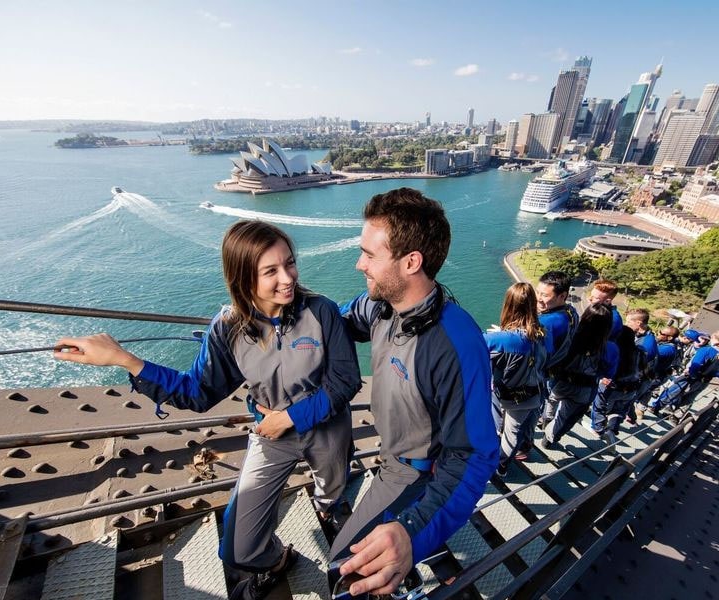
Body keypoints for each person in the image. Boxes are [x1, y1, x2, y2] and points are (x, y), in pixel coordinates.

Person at [53, 220, 362, 600]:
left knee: (332, 491)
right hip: (272, 437)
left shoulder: (321, 311)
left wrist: (289, 417)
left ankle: (329, 508)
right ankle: (276, 560)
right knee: (236, 548)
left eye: (290, 263)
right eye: (271, 271)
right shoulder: (228, 328)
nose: (288, 278)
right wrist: (126, 360)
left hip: (327, 430)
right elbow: (197, 393)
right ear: (244, 278)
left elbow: (345, 381)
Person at [332, 188, 498, 597]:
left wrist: (411, 532)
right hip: (390, 460)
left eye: (370, 255)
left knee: (343, 571)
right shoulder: (382, 306)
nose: (359, 264)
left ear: (411, 262)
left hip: (417, 475)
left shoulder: (455, 343)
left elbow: (474, 455)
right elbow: (341, 321)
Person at [484, 283, 548, 477]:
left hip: (504, 393)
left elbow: (472, 348)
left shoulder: (497, 340)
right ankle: (502, 466)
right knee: (513, 433)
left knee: (497, 425)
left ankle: (493, 459)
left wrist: (500, 335)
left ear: (508, 305)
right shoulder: (543, 333)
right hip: (531, 395)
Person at [542, 303, 618, 449]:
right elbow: (609, 373)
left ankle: (546, 418)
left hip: (559, 381)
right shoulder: (609, 348)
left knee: (552, 399)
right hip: (584, 388)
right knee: (567, 418)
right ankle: (550, 437)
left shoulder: (570, 338)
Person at [534, 271, 580, 435]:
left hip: (540, 373)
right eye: (538, 292)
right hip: (556, 369)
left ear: (562, 296)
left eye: (545, 295)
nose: (539, 298)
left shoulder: (545, 322)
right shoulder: (571, 312)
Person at [590, 326, 642, 448]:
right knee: (618, 411)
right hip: (631, 388)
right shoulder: (639, 351)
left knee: (599, 407)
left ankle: (598, 429)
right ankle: (612, 429)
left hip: (612, 386)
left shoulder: (615, 350)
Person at [626, 308, 659, 421]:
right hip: (639, 377)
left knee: (625, 401)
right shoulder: (644, 336)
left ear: (638, 323)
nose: (627, 324)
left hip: (637, 378)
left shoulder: (646, 345)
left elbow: (636, 365)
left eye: (629, 321)